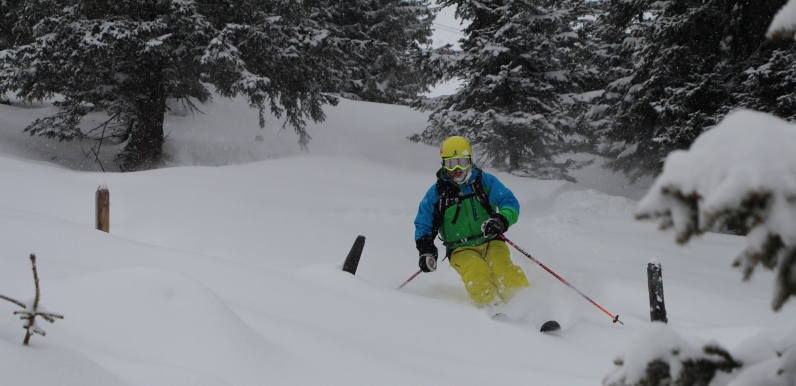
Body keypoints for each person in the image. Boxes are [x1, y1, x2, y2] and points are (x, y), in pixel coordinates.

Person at [414, 136, 530, 307]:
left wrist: (501, 220)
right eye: (451, 164)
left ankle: (527, 304)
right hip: (460, 248)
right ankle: (492, 308)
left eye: (462, 162)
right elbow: (424, 222)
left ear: (470, 160)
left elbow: (509, 202)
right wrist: (426, 250)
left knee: (503, 269)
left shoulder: (484, 181)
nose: (458, 169)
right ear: (443, 164)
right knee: (477, 272)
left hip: (491, 240)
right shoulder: (438, 193)